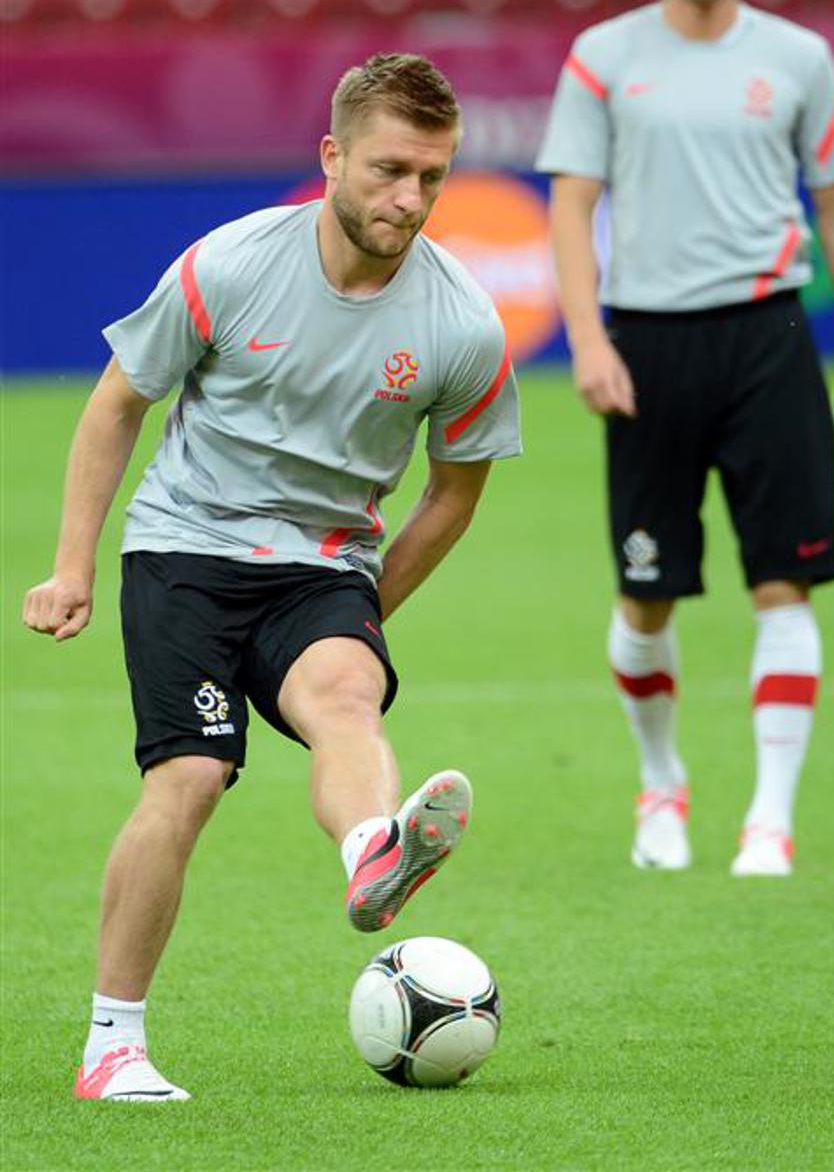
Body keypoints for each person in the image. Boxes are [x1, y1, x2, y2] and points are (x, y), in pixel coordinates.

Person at [23, 53, 521, 1102]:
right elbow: (118, 403)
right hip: (185, 551)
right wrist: (72, 567)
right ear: (332, 157)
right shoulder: (232, 262)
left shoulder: (465, 324)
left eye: (432, 176)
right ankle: (112, 1045)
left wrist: (359, 618)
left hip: (326, 565)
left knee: (346, 694)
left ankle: (370, 854)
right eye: (390, 170)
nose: (412, 198)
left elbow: (454, 495)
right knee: (191, 779)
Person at [536, 0, 834, 880]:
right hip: (645, 344)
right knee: (647, 595)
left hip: (768, 338)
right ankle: (661, 783)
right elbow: (569, 204)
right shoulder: (603, 57)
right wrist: (590, 340)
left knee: (784, 581)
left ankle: (768, 822)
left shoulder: (796, 57)